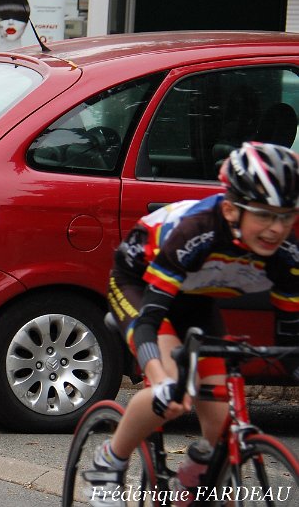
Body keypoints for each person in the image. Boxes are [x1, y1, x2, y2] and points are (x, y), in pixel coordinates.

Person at [88, 141, 299, 507]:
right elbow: (150, 320)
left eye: (286, 216)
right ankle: (109, 462)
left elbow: (291, 332)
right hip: (141, 287)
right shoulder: (197, 230)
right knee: (170, 392)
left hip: (197, 298)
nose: (275, 229)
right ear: (231, 209)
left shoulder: (286, 254)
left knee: (218, 421)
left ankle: (196, 478)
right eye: (264, 215)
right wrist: (159, 375)